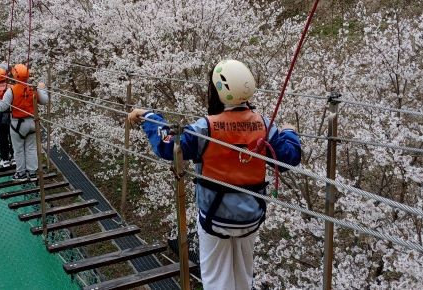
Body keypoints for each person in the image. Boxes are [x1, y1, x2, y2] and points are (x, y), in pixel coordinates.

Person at [127, 59, 301, 290]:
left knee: (216, 279)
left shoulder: (207, 127)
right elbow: (289, 157)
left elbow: (169, 145)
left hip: (215, 217)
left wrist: (149, 117)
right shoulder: (264, 125)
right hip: (251, 216)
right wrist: (289, 132)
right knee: (243, 276)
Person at [0, 64, 49, 181]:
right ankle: (32, 173)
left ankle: (21, 173)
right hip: (33, 123)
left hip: (17, 124)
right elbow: (44, 101)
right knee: (31, 148)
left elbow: (2, 107)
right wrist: (41, 89)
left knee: (18, 149)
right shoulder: (33, 88)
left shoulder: (12, 90)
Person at [0, 66, 14, 168]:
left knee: (3, 139)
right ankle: (14, 157)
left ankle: (5, 159)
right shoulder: (11, 88)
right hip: (12, 117)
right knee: (13, 138)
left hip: (0, 119)